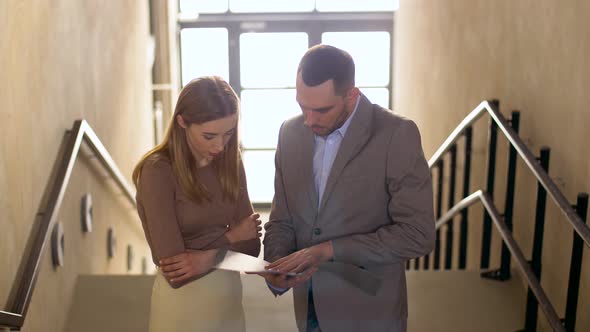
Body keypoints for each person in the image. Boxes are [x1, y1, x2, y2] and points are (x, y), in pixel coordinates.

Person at [259, 45, 436, 332]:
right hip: (309, 311)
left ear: (352, 95)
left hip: (370, 314)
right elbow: (282, 219)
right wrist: (277, 263)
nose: (309, 120)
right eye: (302, 105)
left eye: (321, 110)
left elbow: (418, 235)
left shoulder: (396, 134)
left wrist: (330, 250)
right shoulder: (288, 134)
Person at [132, 76, 262, 332]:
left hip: (230, 303)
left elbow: (251, 249)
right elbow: (175, 270)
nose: (220, 145)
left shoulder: (230, 163)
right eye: (209, 135)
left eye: (228, 133)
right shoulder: (158, 171)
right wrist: (229, 238)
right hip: (183, 308)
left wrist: (204, 258)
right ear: (182, 122)